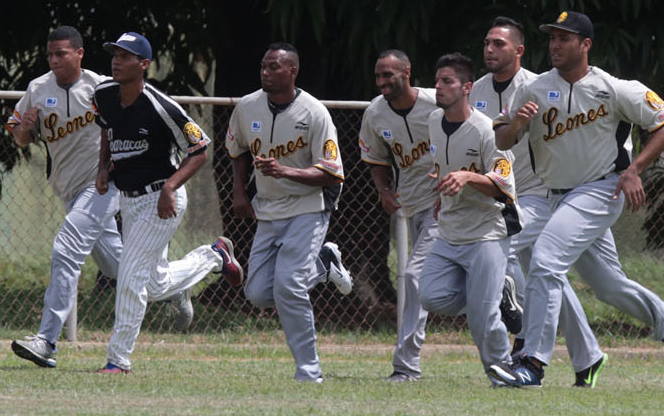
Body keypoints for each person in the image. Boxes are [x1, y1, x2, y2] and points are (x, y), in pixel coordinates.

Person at [495, 11, 664, 387]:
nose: (555, 44)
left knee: (546, 261)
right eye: (552, 37)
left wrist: (634, 170)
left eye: (564, 38)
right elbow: (502, 139)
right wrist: (516, 125)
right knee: (608, 286)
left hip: (602, 189)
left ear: (585, 45)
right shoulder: (533, 88)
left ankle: (532, 363)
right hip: (553, 196)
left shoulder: (614, 88)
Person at [7, 26, 194, 370]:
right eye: (50, 54)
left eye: (61, 53)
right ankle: (170, 287)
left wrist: (106, 168)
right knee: (124, 270)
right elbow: (20, 137)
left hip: (101, 186)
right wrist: (25, 127)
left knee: (65, 249)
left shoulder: (98, 85)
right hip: (67, 189)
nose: (54, 60)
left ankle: (46, 340)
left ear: (79, 54)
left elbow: (112, 128)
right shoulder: (37, 88)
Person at [470, 17, 607, 386]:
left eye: (498, 43)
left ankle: (525, 339)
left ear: (518, 50)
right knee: (549, 276)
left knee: (502, 249)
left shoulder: (538, 85)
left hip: (538, 195)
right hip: (500, 197)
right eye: (487, 42)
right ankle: (588, 356)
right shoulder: (478, 91)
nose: (489, 49)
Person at [92, 31, 240, 374]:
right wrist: (103, 167)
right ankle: (213, 256)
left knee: (129, 276)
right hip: (129, 201)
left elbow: (199, 149)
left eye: (125, 56)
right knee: (155, 285)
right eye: (114, 54)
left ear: (143, 65)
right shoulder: (104, 94)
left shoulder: (162, 106)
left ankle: (118, 360)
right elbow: (106, 129)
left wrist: (170, 188)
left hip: (162, 199)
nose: (116, 60)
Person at [226, 42, 350, 383]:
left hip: (309, 206)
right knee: (257, 293)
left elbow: (332, 172)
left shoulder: (314, 112)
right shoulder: (248, 106)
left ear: (292, 71)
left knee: (290, 286)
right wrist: (238, 191)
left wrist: (286, 171)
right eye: (263, 66)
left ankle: (309, 370)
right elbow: (235, 150)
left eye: (274, 67)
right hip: (268, 208)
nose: (266, 72)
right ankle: (324, 265)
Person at [419, 53, 521, 385]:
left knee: (482, 316)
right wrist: (443, 189)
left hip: (486, 233)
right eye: (437, 80)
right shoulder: (434, 121)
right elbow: (442, 166)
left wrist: (467, 177)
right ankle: (494, 293)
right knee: (430, 295)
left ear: (466, 88)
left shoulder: (487, 130)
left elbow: (505, 186)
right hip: (449, 231)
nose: (439, 86)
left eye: (447, 81)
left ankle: (502, 371)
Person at [356, 50, 442, 381]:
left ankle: (406, 365)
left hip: (447, 205)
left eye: (388, 75)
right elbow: (375, 157)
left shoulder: (438, 102)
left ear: (407, 72)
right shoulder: (376, 113)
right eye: (378, 76)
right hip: (410, 207)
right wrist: (384, 191)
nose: (382, 83)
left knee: (414, 277)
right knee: (440, 283)